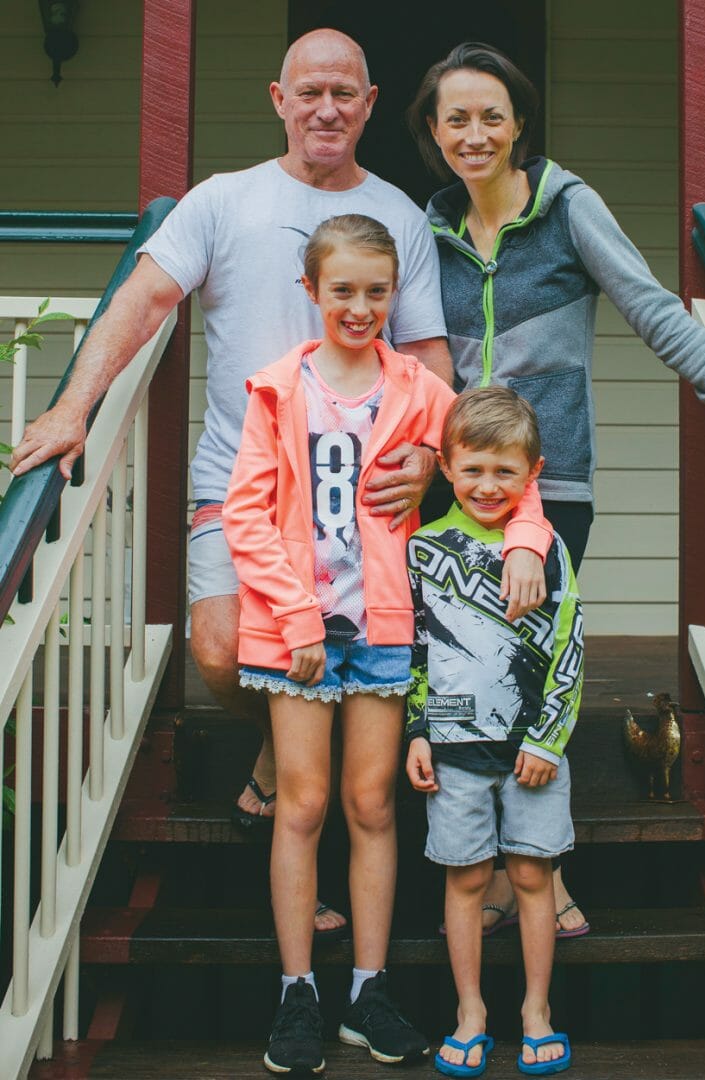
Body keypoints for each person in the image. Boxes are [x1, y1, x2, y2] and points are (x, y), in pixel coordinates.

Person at [10, 28, 456, 934]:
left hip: (360, 496)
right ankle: (274, 753)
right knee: (220, 647)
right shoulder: (223, 202)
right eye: (308, 92)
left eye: (344, 93)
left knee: (360, 686)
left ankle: (313, 839)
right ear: (278, 99)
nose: (325, 109)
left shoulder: (399, 216)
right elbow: (140, 301)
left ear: (369, 104)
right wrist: (72, 408)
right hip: (245, 483)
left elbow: (426, 350)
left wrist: (433, 452)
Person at [406, 39, 705, 942]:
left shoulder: (567, 206)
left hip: (550, 482)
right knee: (463, 674)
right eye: (456, 117)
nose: (475, 132)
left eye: (492, 115)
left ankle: (543, 877)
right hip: (452, 495)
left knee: (534, 673)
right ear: (432, 130)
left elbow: (652, 309)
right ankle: (485, 876)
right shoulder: (428, 225)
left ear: (520, 123)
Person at [220, 214, 552, 1074]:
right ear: (312, 292)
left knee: (371, 806)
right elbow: (246, 517)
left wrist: (524, 537)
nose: (360, 307)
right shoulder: (277, 389)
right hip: (297, 633)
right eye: (343, 291)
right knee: (301, 804)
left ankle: (368, 990)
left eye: (376, 291)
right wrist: (294, 617)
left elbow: (510, 465)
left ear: (394, 294)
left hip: (384, 625)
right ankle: (298, 992)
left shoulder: (420, 392)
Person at [406, 386, 581, 1077]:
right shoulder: (422, 547)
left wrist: (546, 739)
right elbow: (414, 647)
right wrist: (416, 730)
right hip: (452, 750)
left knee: (533, 877)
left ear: (530, 474)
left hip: (531, 751)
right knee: (466, 881)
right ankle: (469, 1011)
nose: (487, 485)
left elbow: (567, 644)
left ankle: (536, 1011)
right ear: (446, 466)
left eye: (504, 472)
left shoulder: (545, 552)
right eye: (472, 468)